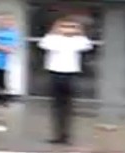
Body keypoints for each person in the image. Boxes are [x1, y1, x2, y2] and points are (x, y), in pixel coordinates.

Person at [38, 16, 93, 145]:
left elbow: (87, 45)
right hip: (55, 74)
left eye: (71, 27)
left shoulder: (78, 40)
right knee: (56, 107)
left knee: (68, 107)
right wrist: (54, 30)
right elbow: (43, 44)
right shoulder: (52, 38)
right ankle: (57, 135)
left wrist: (79, 31)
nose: (67, 29)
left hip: (70, 75)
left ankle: (66, 136)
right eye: (64, 26)